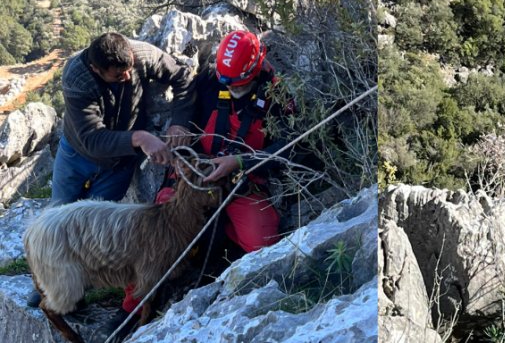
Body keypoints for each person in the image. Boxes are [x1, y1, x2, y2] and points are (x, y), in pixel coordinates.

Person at [119, 29, 315, 315]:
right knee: (155, 234)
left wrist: (240, 161)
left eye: (237, 84)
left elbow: (292, 147)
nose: (230, 87)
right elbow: (186, 100)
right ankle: (132, 308)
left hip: (242, 181)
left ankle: (225, 246)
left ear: (256, 68)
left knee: (263, 247)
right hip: (195, 175)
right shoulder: (212, 80)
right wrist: (180, 126)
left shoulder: (277, 96)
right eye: (227, 81)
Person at [28, 32, 194, 308]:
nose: (127, 79)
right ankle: (50, 282)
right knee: (57, 221)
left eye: (129, 71)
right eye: (118, 76)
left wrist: (180, 122)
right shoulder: (77, 78)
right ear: (96, 69)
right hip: (78, 154)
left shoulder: (141, 55)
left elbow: (182, 77)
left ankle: (87, 279)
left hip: (119, 161)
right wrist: (140, 138)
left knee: (95, 224)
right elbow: (92, 138)